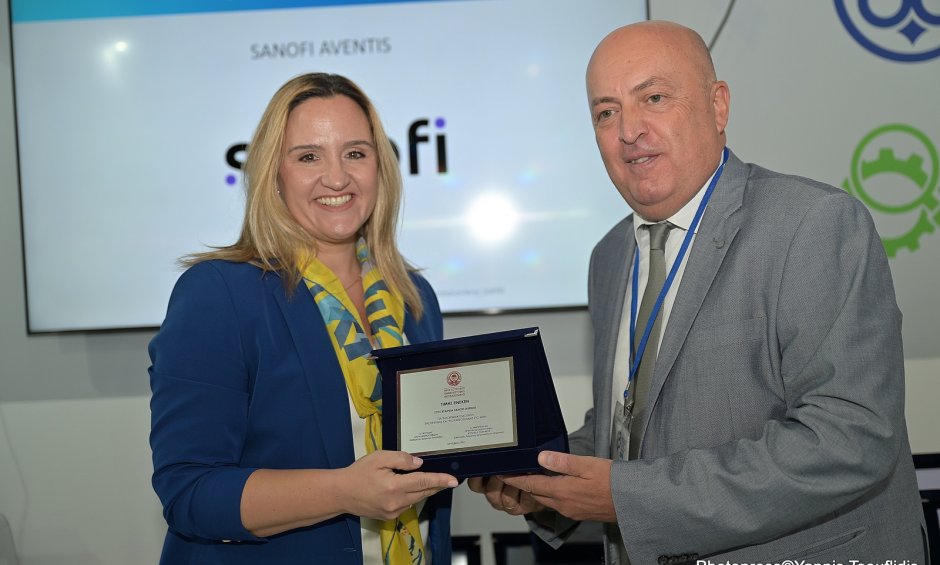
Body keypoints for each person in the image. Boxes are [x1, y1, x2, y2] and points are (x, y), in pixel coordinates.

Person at [469, 20, 928, 563]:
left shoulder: (813, 224)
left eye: (654, 98)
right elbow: (630, 422)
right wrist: (545, 480)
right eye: (606, 112)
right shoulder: (608, 256)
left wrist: (626, 497)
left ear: (718, 106)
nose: (629, 131)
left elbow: (848, 438)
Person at [149, 72, 458, 565]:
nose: (337, 178)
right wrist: (342, 492)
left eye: (355, 153)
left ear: (381, 166)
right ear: (274, 173)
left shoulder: (414, 297)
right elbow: (190, 491)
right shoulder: (219, 293)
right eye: (309, 156)